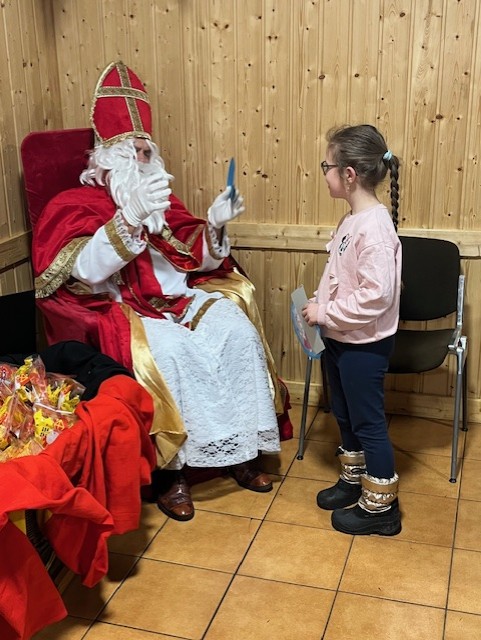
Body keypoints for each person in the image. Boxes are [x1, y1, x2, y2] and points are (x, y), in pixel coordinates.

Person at [32, 60, 285, 522]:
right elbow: (82, 271)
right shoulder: (72, 205)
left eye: (149, 150)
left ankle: (241, 450)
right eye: (136, 151)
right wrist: (128, 219)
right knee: (167, 355)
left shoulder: (162, 204)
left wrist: (214, 227)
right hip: (122, 310)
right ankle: (172, 472)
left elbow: (194, 260)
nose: (146, 158)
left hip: (178, 301)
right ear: (109, 158)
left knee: (237, 332)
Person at [302, 124, 402, 536]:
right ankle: (354, 481)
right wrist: (319, 302)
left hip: (364, 346)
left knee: (368, 423)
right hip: (341, 338)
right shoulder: (352, 220)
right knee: (344, 414)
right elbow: (341, 276)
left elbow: (376, 296)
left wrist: (324, 311)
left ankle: (382, 508)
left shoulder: (374, 228)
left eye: (326, 166)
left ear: (348, 174)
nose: (323, 173)